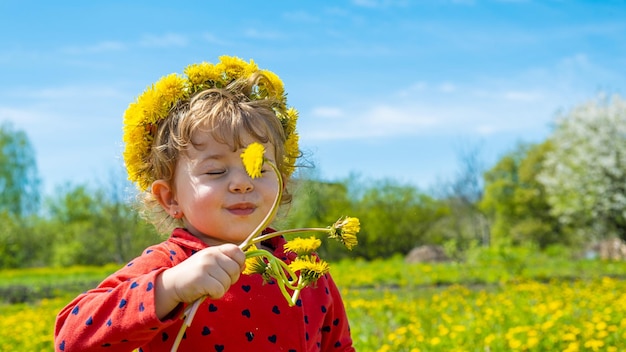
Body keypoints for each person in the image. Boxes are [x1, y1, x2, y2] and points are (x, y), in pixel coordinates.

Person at [54, 56, 355, 352]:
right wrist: (169, 288)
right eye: (215, 171)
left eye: (260, 169)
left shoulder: (306, 269)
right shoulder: (170, 265)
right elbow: (71, 339)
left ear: (282, 183)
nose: (242, 183)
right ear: (169, 197)